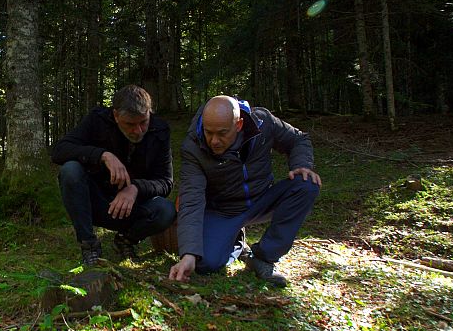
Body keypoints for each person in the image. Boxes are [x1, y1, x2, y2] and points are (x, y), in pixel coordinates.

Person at [168, 95, 321, 287]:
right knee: (206, 263)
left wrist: (301, 164)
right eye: (209, 132)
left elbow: (298, 139)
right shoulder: (193, 147)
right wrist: (189, 253)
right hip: (223, 210)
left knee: (306, 184)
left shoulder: (264, 123)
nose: (214, 141)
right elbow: (191, 199)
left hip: (262, 199)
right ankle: (236, 242)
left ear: (239, 125)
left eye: (222, 133)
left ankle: (263, 257)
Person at [51, 85, 176, 266]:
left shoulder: (160, 130)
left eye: (143, 122)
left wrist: (135, 188)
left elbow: (165, 181)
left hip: (132, 207)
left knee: (165, 210)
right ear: (116, 115)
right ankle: (89, 245)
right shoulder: (97, 120)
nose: (138, 130)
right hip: (96, 202)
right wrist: (103, 155)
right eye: (130, 124)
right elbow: (60, 151)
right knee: (70, 170)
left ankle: (126, 240)